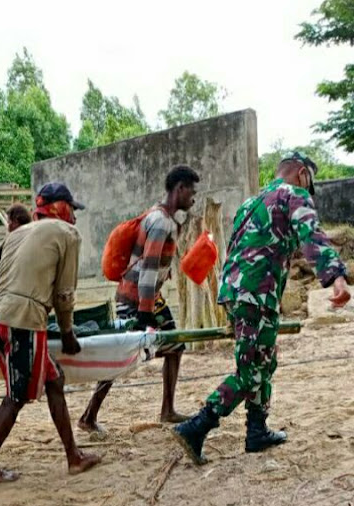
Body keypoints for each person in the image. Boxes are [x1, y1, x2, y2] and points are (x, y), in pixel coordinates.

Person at [173, 152, 350, 464]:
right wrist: (335, 275)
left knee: (264, 361)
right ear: (303, 174)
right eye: (310, 181)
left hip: (237, 291)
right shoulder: (294, 195)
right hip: (256, 293)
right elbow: (312, 235)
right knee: (251, 370)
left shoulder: (250, 204)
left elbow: (249, 246)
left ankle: (257, 430)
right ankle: (198, 425)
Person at [0, 182, 101, 482]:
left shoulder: (16, 234)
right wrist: (68, 333)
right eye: (72, 209)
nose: (74, 217)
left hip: (0, 317)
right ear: (62, 209)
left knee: (54, 380)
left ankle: (74, 456)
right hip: (26, 321)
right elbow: (64, 294)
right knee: (16, 396)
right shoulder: (68, 234)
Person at [78, 165, 200, 435]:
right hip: (136, 300)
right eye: (192, 191)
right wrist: (144, 313)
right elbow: (147, 269)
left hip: (148, 298)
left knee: (175, 346)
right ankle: (88, 416)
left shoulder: (165, 219)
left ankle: (167, 410)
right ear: (179, 188)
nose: (194, 197)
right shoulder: (160, 222)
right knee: (120, 355)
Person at [0, 204, 32, 295]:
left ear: (16, 221)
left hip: (12, 293)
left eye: (9, 221)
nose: (8, 226)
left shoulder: (13, 241)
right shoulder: (33, 237)